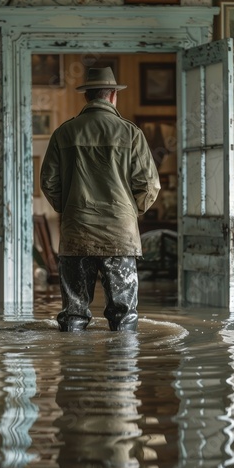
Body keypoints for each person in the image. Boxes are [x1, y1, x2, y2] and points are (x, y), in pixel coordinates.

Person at [40, 67, 160, 332]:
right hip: (119, 235)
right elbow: (150, 185)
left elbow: (48, 182)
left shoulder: (64, 133)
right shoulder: (131, 134)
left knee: (74, 315)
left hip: (76, 233)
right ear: (113, 95)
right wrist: (129, 212)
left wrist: (70, 208)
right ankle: (123, 371)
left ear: (87, 97)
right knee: (124, 315)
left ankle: (73, 368)